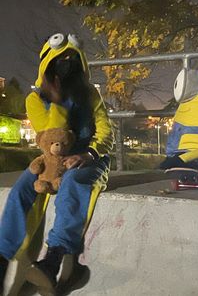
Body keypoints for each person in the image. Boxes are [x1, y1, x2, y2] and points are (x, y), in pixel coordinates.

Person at [0, 33, 114, 295]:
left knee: (73, 182)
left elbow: (106, 132)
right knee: (20, 189)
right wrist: (58, 101)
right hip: (50, 162)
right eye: (59, 61)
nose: (66, 65)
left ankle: (53, 261)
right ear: (47, 67)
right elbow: (53, 137)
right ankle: (3, 259)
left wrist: (89, 155)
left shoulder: (91, 97)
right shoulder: (34, 100)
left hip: (89, 160)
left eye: (72, 60)